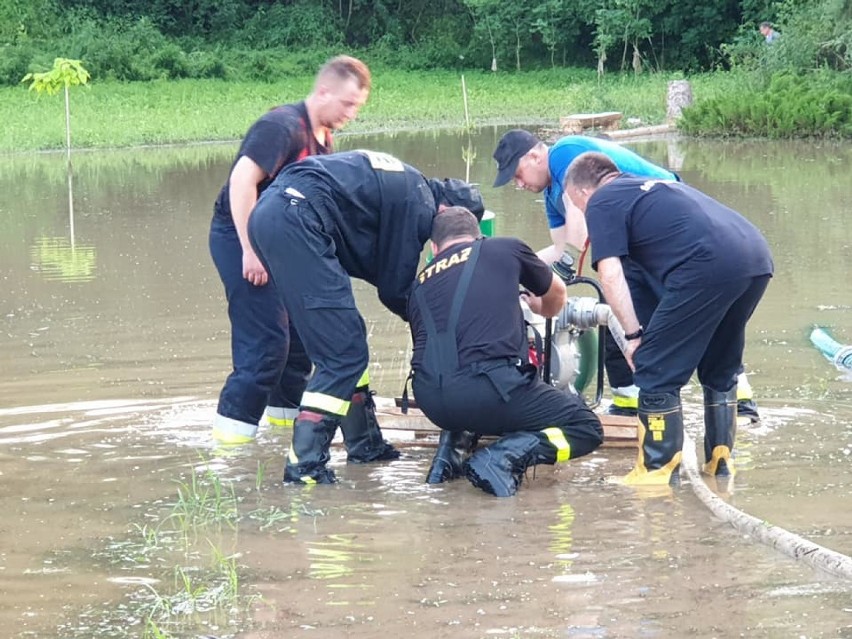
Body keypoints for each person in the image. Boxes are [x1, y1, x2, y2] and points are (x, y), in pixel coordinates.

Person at [247, 150, 485, 485]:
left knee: (346, 336)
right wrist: (437, 327)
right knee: (342, 354)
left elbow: (383, 269)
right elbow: (394, 288)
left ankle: (364, 444)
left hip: (275, 215)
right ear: (447, 211)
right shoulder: (419, 205)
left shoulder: (410, 184)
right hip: (296, 219)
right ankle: (304, 466)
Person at [491, 129, 761, 423]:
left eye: (517, 174)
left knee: (674, 319)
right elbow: (562, 250)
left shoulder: (565, 154)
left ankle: (736, 402)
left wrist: (543, 281)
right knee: (626, 314)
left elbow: (581, 232)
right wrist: (510, 271)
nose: (518, 184)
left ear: (534, 155)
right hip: (633, 239)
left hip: (664, 226)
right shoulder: (551, 194)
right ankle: (632, 401)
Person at [563, 152, 773, 485]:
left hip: (708, 265)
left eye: (577, 205)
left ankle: (657, 470)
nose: (581, 212)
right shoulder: (652, 187)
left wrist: (633, 338)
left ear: (583, 192)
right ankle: (720, 462)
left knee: (655, 371)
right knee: (720, 367)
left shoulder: (602, 201)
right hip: (755, 256)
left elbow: (610, 274)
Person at [209, 55, 384, 452]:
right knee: (267, 347)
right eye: (348, 104)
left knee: (300, 344)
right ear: (324, 91)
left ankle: (281, 435)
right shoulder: (282, 127)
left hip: (283, 244)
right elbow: (241, 182)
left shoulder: (323, 139)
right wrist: (251, 251)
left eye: (357, 106)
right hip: (241, 238)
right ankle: (228, 452)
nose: (353, 114)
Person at [407, 207, 604, 497]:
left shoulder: (419, 283)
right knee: (586, 428)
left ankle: (447, 461)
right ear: (479, 236)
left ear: (435, 248)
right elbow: (557, 295)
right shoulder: (505, 248)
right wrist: (540, 307)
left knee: (460, 377)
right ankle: (502, 458)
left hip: (430, 400)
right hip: (488, 390)